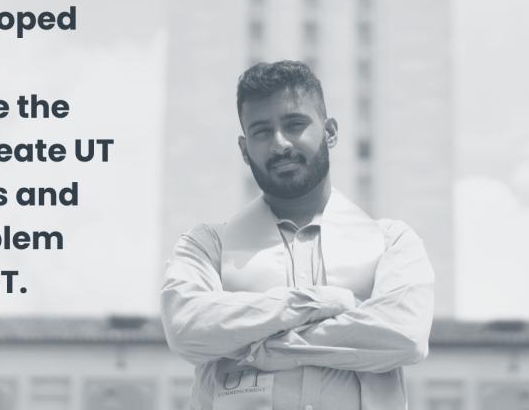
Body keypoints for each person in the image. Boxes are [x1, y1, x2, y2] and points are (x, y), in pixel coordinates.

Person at [160, 60, 435, 410]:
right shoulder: (206, 246)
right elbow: (189, 332)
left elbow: (404, 336)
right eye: (261, 131)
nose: (280, 144)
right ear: (245, 150)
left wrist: (257, 344)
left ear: (331, 132)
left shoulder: (391, 242)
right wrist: (319, 303)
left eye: (294, 124)